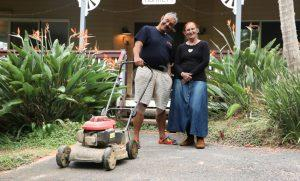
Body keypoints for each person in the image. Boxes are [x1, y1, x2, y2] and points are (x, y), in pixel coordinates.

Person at [132, 12, 178, 147]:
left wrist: (169, 75)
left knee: (162, 108)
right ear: (162, 17)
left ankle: (162, 137)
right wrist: (136, 57)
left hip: (163, 74)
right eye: (167, 21)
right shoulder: (147, 30)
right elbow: (137, 45)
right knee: (142, 104)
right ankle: (135, 139)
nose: (168, 24)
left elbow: (170, 61)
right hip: (146, 70)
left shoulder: (169, 39)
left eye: (171, 24)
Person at [167, 22, 210, 149]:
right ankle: (190, 137)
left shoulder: (203, 45)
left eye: (192, 29)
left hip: (198, 80)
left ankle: (200, 137)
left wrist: (190, 74)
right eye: (187, 30)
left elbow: (205, 62)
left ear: (196, 30)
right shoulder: (181, 47)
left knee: (196, 107)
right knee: (183, 107)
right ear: (184, 33)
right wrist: (181, 73)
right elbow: (176, 63)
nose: (190, 31)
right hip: (181, 80)